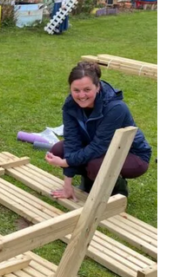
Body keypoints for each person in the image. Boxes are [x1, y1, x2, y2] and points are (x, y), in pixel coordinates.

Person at [45, 61, 153, 199]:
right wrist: (67, 185)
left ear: (97, 87)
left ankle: (118, 188)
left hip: (132, 154)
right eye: (76, 90)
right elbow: (72, 141)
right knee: (59, 150)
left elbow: (98, 146)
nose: (81, 95)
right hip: (98, 147)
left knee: (96, 165)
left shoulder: (116, 108)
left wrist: (67, 162)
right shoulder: (71, 104)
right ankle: (89, 180)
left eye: (87, 90)